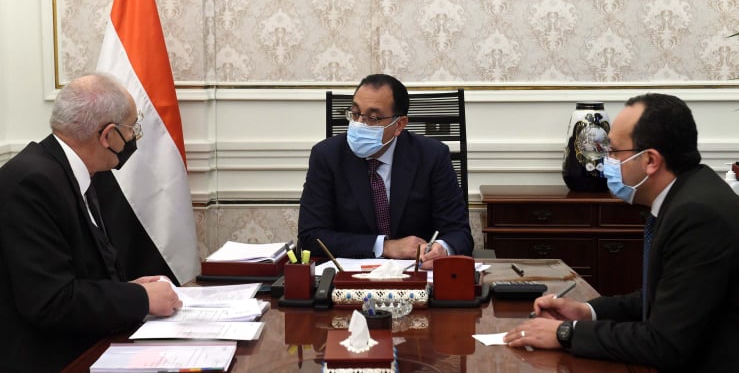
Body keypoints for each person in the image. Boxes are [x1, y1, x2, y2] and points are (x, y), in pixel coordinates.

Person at [504, 93, 739, 371]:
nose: (606, 161)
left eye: (614, 151)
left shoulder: (698, 215)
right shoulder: (687, 195)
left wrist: (566, 333)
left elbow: (664, 343)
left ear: (650, 160)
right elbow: (658, 298)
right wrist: (587, 312)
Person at [0, 74, 182, 372]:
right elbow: (51, 301)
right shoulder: (32, 183)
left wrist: (128, 291)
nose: (133, 138)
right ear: (108, 135)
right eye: (132, 129)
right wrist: (140, 299)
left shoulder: (70, 171)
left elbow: (80, 274)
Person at [298, 74, 473, 268]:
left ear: (399, 125)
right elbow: (311, 236)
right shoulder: (326, 156)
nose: (359, 124)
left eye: (373, 118)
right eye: (355, 113)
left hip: (417, 274)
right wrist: (385, 246)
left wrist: (443, 249)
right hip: (349, 275)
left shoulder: (432, 156)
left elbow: (459, 233)